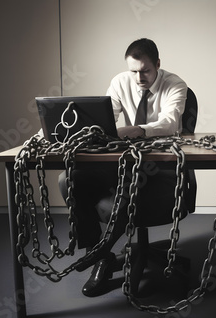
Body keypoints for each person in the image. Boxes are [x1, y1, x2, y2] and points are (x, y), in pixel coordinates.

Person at [58, 38, 189, 296]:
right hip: (125, 160)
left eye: (145, 71)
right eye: (134, 71)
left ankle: (103, 251)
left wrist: (137, 130)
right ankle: (98, 254)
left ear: (158, 65)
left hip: (160, 166)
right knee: (68, 179)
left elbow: (171, 123)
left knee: (133, 180)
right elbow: (106, 119)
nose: (139, 77)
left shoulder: (175, 84)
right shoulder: (120, 82)